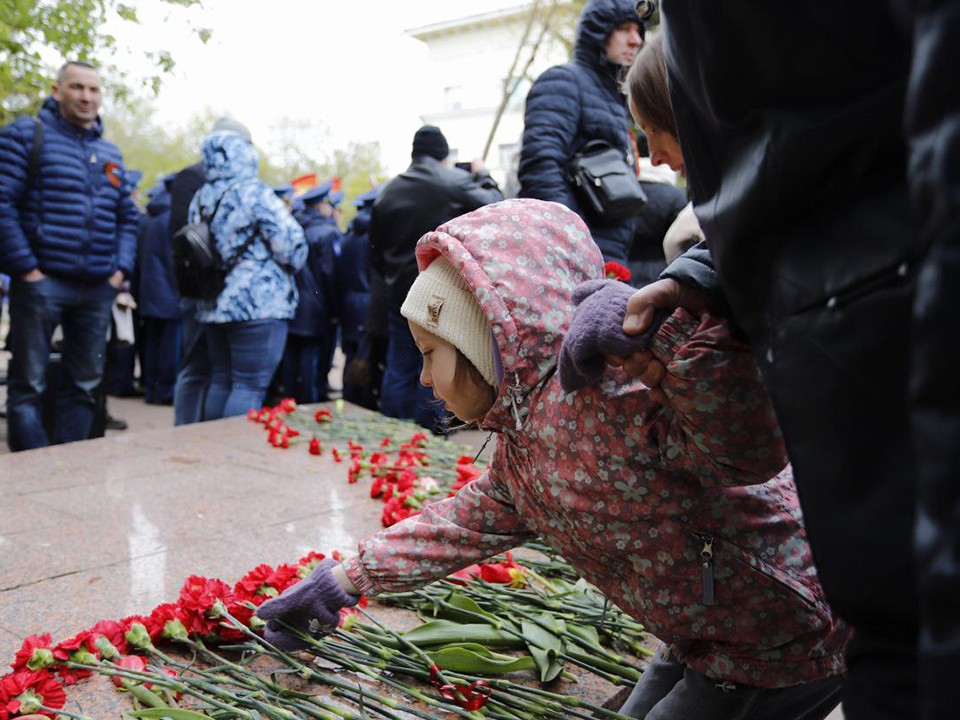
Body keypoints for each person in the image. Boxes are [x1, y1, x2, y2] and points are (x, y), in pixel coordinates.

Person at [257, 198, 848, 720]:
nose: (423, 378)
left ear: (485, 343)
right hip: (705, 634)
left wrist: (658, 337)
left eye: (431, 352)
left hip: (780, 636)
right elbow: (453, 527)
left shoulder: (616, 392)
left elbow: (748, 445)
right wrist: (342, 582)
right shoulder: (522, 452)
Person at [615, 20, 928, 719]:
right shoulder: (727, 224)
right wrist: (696, 278)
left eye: (652, 135)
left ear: (690, 111)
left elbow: (744, 447)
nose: (655, 161)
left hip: (813, 586)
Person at [0, 61, 139, 451]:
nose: (86, 97)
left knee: (86, 385)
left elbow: (127, 217)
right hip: (42, 284)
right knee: (29, 384)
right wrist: (26, 269)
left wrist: (119, 271)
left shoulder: (109, 152)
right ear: (56, 90)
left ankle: (74, 468)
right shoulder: (27, 135)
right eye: (77, 87)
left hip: (97, 287)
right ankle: (33, 472)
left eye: (94, 90)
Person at [369, 124, 502, 432]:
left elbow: (374, 252)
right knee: (433, 362)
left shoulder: (387, 191)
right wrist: (482, 174)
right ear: (443, 156)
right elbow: (497, 204)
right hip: (441, 293)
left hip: (398, 293)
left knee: (399, 366)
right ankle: (428, 437)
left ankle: (394, 435)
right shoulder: (454, 181)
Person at [189, 128, 307, 420]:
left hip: (213, 303)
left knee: (221, 380)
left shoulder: (200, 197)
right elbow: (291, 247)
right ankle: (233, 456)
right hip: (257, 304)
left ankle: (214, 449)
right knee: (248, 386)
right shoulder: (254, 192)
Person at [517, 0, 645, 264]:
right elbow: (540, 167)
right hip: (572, 255)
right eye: (624, 29)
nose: (636, 40)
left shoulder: (614, 99)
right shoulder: (563, 81)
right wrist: (575, 240)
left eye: (638, 31)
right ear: (597, 33)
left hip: (609, 255)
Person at [169, 117, 251, 425]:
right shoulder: (192, 177)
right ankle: (186, 430)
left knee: (220, 373)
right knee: (195, 367)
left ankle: (204, 433)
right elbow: (185, 238)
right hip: (202, 289)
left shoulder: (240, 181)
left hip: (227, 294)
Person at [277, 181, 336, 404]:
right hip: (315, 303)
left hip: (291, 300)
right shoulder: (326, 233)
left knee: (292, 353)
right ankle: (308, 403)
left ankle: (289, 400)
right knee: (310, 356)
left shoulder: (292, 227)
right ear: (321, 205)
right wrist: (333, 308)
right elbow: (329, 274)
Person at [135, 173, 181, 406]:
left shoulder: (149, 218)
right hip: (169, 291)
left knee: (153, 341)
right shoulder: (173, 217)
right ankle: (164, 391)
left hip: (150, 290)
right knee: (168, 345)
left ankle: (152, 389)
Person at [338, 186, 379, 408]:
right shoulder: (373, 237)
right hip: (367, 301)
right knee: (366, 355)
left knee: (352, 353)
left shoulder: (349, 237)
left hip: (348, 302)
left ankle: (349, 398)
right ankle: (363, 401)